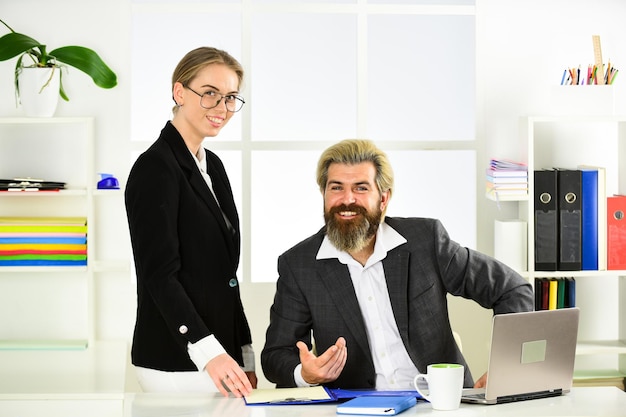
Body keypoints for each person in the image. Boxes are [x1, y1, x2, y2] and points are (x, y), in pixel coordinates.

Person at [261, 139, 534, 390]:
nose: (347, 200)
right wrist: (305, 374)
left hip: (441, 404)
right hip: (356, 409)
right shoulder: (299, 266)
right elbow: (276, 355)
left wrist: (506, 364)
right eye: (336, 188)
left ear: (383, 198)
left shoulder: (425, 241)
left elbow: (512, 289)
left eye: (361, 188)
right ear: (323, 194)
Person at [125, 47, 256, 396]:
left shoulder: (212, 165)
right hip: (178, 360)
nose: (222, 108)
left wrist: (244, 355)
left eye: (230, 97)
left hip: (219, 357)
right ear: (179, 92)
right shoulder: (155, 168)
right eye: (210, 93)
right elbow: (159, 275)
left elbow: (226, 276)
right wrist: (210, 353)